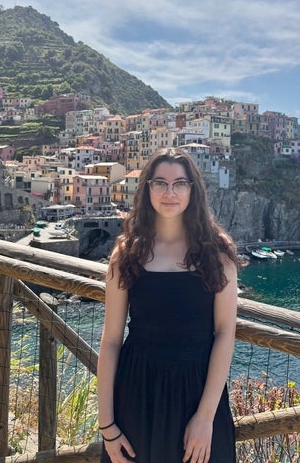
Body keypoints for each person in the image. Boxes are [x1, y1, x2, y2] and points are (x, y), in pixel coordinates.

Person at [97, 147, 239, 463]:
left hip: (198, 396)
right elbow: (110, 341)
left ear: (193, 190)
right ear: (147, 189)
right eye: (160, 183)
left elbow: (225, 334)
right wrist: (106, 424)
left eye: (180, 183)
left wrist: (205, 417)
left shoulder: (217, 255)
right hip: (136, 394)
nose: (169, 192)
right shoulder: (127, 255)